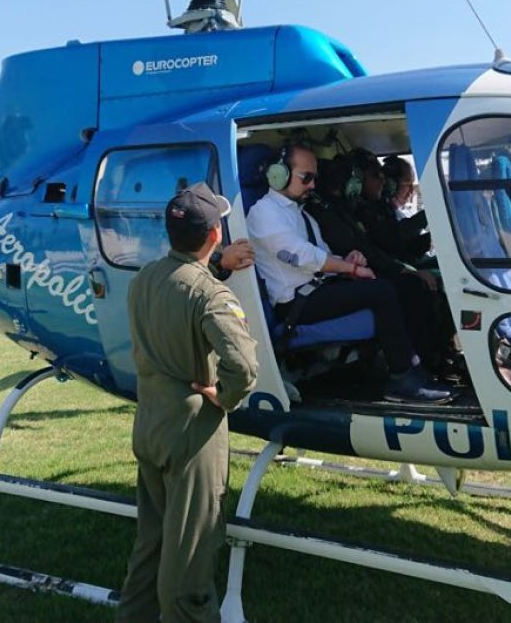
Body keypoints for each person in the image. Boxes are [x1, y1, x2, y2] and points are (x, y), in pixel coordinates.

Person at [116, 182, 259, 623]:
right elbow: (244, 368)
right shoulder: (210, 294)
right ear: (215, 235)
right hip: (191, 433)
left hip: (150, 422)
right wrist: (224, 396)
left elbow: (182, 279)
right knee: (192, 557)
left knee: (153, 542)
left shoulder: (144, 279)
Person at [246, 142, 450, 404]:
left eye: (314, 178)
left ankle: (422, 366)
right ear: (279, 174)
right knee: (381, 290)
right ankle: (402, 378)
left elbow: (322, 252)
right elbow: (303, 256)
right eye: (306, 177)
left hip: (320, 289)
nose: (312, 185)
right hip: (296, 303)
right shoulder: (262, 214)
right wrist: (350, 268)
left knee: (405, 285)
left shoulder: (300, 214)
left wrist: (347, 259)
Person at [306, 154, 446, 370]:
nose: (381, 181)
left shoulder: (344, 209)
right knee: (411, 287)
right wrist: (404, 271)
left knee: (413, 284)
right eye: (375, 176)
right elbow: (370, 249)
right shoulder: (327, 212)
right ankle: (420, 365)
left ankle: (431, 358)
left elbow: (375, 248)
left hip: (360, 272)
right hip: (346, 279)